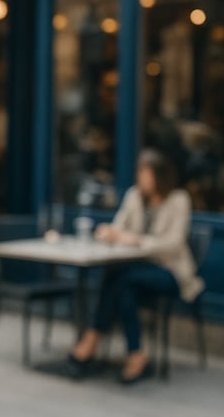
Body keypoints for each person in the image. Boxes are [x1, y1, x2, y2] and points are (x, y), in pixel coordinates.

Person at [68, 148, 203, 383]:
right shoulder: (134, 196)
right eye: (139, 173)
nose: (140, 178)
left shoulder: (179, 199)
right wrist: (110, 233)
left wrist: (137, 240)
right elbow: (118, 226)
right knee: (124, 288)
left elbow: (174, 243)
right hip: (136, 271)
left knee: (120, 277)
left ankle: (92, 338)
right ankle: (136, 353)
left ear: (159, 176)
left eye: (145, 173)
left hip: (170, 272)